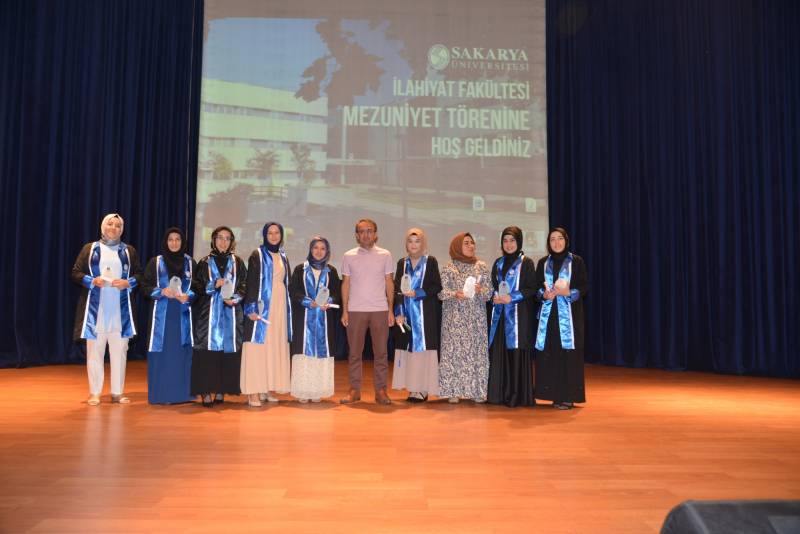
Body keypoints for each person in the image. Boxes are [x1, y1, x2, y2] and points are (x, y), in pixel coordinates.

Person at [71, 213, 141, 405]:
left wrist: (128, 283)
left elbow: (140, 275)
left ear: (122, 230)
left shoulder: (129, 251)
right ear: (103, 227)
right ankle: (95, 392)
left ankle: (117, 392)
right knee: (95, 352)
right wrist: (92, 280)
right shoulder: (90, 248)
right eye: (110, 224)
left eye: (118, 225)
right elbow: (76, 272)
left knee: (120, 352)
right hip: (96, 310)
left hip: (120, 310)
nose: (113, 228)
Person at [339, 218, 395, 405]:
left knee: (381, 353)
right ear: (357, 235)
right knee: (355, 353)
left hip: (380, 309)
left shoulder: (385, 255)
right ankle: (354, 390)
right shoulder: (348, 255)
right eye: (361, 231)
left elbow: (389, 282)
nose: (366, 234)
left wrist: (390, 310)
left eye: (369, 230)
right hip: (355, 310)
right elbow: (346, 283)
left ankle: (381, 390)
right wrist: (345, 310)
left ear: (375, 234)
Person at [533, 227, 589, 409]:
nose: (556, 243)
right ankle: (551, 394)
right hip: (549, 317)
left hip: (570, 318)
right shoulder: (543, 263)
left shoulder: (576, 261)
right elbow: (536, 288)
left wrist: (569, 293)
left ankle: (567, 396)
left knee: (568, 355)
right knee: (550, 354)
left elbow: (584, 287)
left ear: (566, 240)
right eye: (552, 239)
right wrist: (543, 295)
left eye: (560, 239)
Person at [191, 226, 246, 407]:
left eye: (227, 238)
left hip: (231, 313)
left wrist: (235, 298)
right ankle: (205, 392)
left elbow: (244, 285)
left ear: (232, 242)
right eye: (220, 238)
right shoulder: (204, 262)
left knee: (227, 353)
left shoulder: (238, 262)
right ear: (213, 240)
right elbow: (196, 287)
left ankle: (222, 389)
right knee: (206, 353)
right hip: (208, 315)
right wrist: (213, 284)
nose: (223, 242)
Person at [142, 227, 196, 404]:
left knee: (182, 354)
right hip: (162, 316)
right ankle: (162, 395)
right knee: (163, 355)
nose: (174, 243)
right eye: (170, 239)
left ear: (182, 242)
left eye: (177, 239)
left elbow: (199, 287)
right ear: (165, 242)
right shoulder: (155, 262)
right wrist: (161, 291)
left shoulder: (190, 263)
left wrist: (189, 296)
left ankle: (184, 395)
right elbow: (144, 286)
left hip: (183, 314)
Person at [241, 222, 292, 407]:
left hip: (279, 306)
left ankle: (267, 387)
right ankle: (253, 391)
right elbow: (251, 282)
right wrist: (251, 309)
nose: (273, 236)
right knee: (257, 348)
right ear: (264, 235)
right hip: (262, 306)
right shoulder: (257, 254)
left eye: (277, 232)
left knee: (273, 346)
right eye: (270, 233)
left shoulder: (283, 256)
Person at [437, 232, 491, 403]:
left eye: (472, 243)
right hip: (454, 319)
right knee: (453, 353)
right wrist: (455, 293)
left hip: (476, 319)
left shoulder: (481, 266)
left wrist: (481, 290)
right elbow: (440, 292)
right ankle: (452, 391)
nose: (470, 246)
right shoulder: (448, 267)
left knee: (476, 353)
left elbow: (489, 293)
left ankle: (477, 391)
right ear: (457, 246)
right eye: (466, 243)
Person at [487, 226, 537, 407]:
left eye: (512, 240)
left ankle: (516, 396)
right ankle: (498, 395)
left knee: (515, 354)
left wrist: (512, 297)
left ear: (519, 242)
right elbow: (493, 287)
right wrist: (494, 296)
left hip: (519, 317)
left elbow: (532, 289)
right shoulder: (498, 263)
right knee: (499, 353)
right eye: (505, 241)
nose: (508, 244)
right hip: (500, 317)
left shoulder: (527, 263)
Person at [391, 228, 442, 402]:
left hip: (425, 315)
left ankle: (423, 389)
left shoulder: (430, 261)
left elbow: (436, 286)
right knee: (409, 352)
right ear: (406, 244)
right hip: (406, 317)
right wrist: (398, 312)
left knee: (423, 352)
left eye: (417, 241)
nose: (413, 245)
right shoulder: (402, 263)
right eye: (410, 241)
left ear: (423, 243)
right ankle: (413, 388)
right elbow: (397, 290)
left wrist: (417, 293)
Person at [289, 236, 341, 403]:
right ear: (310, 250)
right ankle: (303, 391)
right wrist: (307, 302)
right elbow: (294, 291)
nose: (319, 251)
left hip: (324, 320)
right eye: (315, 248)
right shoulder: (300, 269)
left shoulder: (331, 271)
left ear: (327, 252)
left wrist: (329, 301)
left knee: (321, 352)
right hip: (303, 319)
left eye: (322, 248)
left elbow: (337, 293)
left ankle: (318, 389)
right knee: (303, 353)